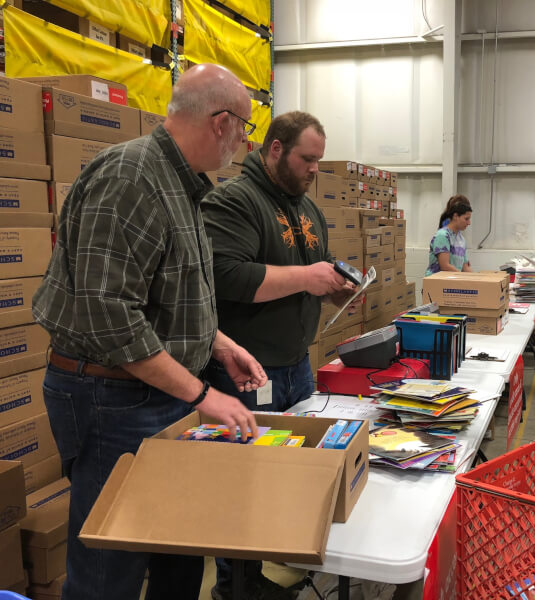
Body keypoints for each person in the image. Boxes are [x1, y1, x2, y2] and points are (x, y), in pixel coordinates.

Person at [31, 64, 268, 600]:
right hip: (111, 397)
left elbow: (166, 295)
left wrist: (218, 343)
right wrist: (202, 395)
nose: (245, 142)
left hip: (153, 391)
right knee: (110, 565)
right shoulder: (132, 179)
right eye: (245, 129)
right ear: (220, 122)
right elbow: (109, 316)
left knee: (175, 548)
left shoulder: (181, 184)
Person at [200, 110, 353, 600]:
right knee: (243, 482)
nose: (314, 170)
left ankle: (267, 568)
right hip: (244, 373)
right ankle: (234, 586)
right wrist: (309, 278)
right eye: (307, 159)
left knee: (290, 476)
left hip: (295, 368)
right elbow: (226, 276)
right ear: (274, 149)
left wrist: (335, 289)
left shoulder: (308, 211)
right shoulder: (234, 201)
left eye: (319, 161)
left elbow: (305, 278)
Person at [425, 195, 473, 275]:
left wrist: (478, 278)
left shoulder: (461, 240)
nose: (469, 223)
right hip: (437, 284)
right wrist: (464, 277)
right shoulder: (442, 236)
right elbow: (445, 266)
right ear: (456, 216)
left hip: (452, 283)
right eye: (466, 219)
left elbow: (465, 267)